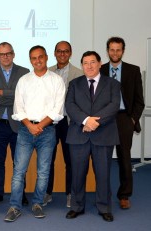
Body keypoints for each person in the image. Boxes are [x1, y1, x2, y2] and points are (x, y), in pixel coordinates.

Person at [4, 45, 65, 222]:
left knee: (44, 171)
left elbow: (57, 110)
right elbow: (18, 108)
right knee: (19, 171)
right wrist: (30, 125)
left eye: (40, 57)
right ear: (30, 60)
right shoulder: (24, 80)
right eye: (33, 58)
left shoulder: (56, 80)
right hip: (25, 130)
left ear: (46, 57)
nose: (37, 61)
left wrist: (40, 126)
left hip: (47, 132)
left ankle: (38, 203)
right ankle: (15, 206)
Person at [65, 51, 120, 222]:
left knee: (103, 173)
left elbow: (114, 106)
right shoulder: (74, 83)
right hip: (79, 134)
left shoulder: (112, 84)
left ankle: (104, 207)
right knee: (77, 173)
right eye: (85, 63)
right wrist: (86, 120)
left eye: (92, 62)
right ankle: (76, 206)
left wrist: (95, 122)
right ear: (81, 65)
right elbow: (70, 105)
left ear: (100, 63)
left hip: (103, 135)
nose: (89, 66)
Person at [100, 37, 145, 209]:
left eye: (118, 50)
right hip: (104, 119)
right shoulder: (100, 70)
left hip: (124, 118)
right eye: (112, 49)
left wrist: (132, 119)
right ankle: (103, 193)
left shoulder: (133, 71)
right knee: (103, 158)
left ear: (123, 51)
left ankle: (124, 195)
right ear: (107, 50)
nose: (115, 53)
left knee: (124, 158)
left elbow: (139, 101)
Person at [0, 42, 30, 206]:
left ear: (13, 54)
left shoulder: (24, 73)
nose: (5, 56)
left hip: (19, 122)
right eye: (2, 54)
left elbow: (24, 97)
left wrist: (3, 92)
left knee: (20, 161)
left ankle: (21, 192)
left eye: (8, 53)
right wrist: (13, 94)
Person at [43, 41, 83, 208]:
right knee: (47, 160)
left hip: (69, 123)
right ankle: (47, 193)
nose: (62, 54)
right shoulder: (47, 72)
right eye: (59, 51)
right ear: (54, 53)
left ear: (70, 53)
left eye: (66, 51)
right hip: (50, 122)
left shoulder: (79, 74)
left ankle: (69, 193)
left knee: (70, 160)